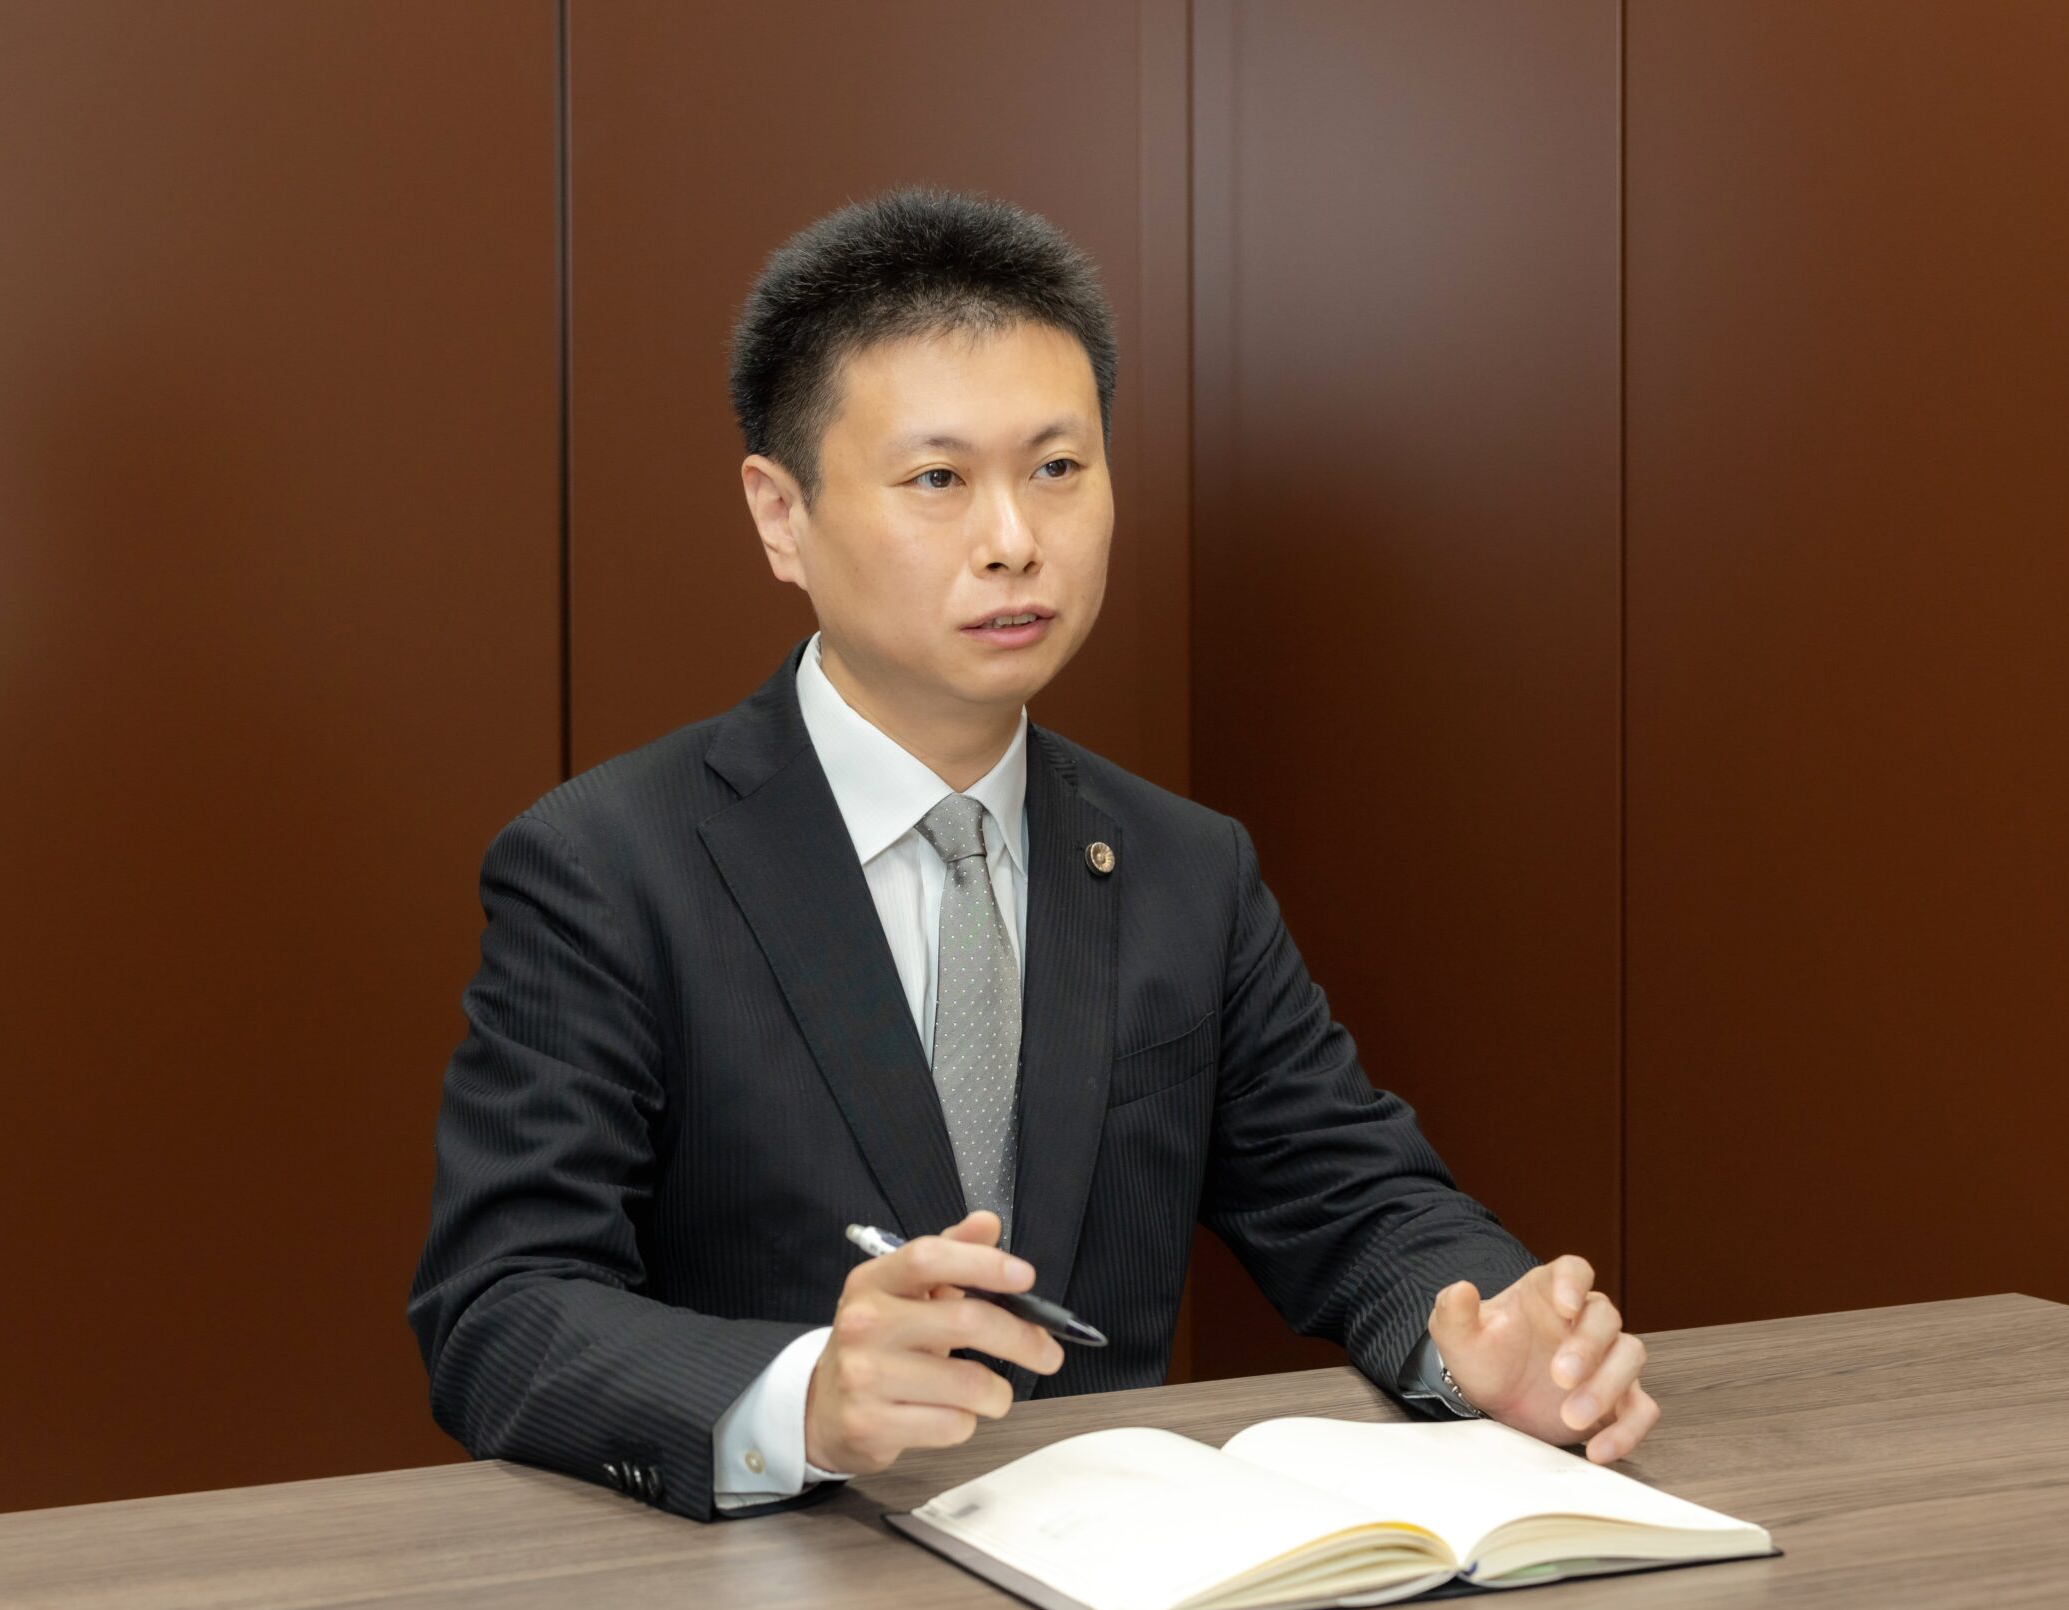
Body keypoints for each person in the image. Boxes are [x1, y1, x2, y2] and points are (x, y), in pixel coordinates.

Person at [407, 185, 1656, 1520]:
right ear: (780, 515)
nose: (1014, 541)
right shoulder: (607, 866)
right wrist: (804, 1397)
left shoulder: (1185, 869)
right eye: (937, 480)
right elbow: (501, 1309)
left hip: (1115, 1574)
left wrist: (1494, 1341)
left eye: (1057, 469)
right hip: (770, 1585)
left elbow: (1361, 1203)